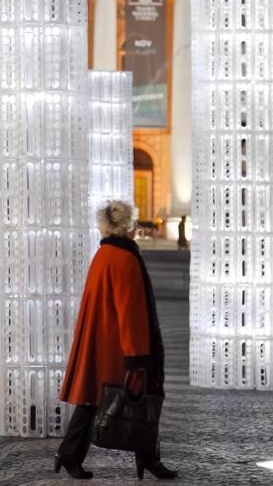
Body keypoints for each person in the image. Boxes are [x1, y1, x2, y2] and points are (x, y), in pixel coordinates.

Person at [56, 200, 177, 481]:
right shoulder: (125, 258)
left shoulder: (103, 254)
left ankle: (70, 454)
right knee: (144, 399)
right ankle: (146, 458)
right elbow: (129, 310)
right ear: (127, 225)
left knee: (92, 401)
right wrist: (137, 357)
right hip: (119, 347)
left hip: (100, 343)